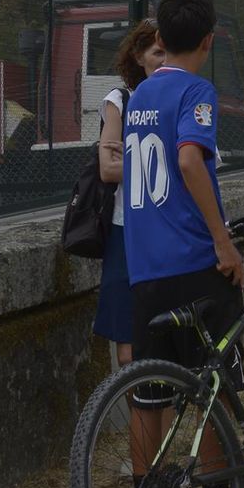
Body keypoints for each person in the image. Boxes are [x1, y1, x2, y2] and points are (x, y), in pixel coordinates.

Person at [122, 0, 244, 488]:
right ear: (208, 41)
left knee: (147, 398)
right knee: (214, 393)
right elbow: (188, 159)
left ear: (160, 39)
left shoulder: (139, 95)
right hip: (193, 263)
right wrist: (223, 242)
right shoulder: (196, 90)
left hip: (145, 269)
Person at [93, 19, 166, 372]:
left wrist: (133, 158)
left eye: (170, 53)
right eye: (157, 53)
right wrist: (162, 162)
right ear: (139, 57)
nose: (164, 61)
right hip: (126, 229)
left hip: (166, 229)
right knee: (128, 353)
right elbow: (108, 169)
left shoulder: (180, 98)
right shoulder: (120, 101)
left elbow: (195, 165)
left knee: (163, 344)